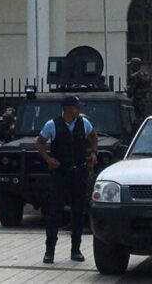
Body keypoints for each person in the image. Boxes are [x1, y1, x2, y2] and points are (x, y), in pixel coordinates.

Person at [36, 95, 98, 264]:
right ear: (67, 108)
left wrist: (93, 153)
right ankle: (50, 251)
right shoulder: (52, 124)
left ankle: (75, 250)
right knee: (54, 212)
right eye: (76, 107)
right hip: (60, 173)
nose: (79, 110)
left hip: (79, 172)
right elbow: (39, 143)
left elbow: (93, 136)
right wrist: (48, 159)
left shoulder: (83, 123)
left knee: (78, 212)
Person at [126, 58, 150, 122]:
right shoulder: (145, 74)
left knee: (137, 118)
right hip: (144, 99)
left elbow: (131, 91)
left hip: (137, 100)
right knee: (145, 117)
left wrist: (128, 91)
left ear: (135, 65)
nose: (130, 67)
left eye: (131, 65)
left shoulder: (134, 76)